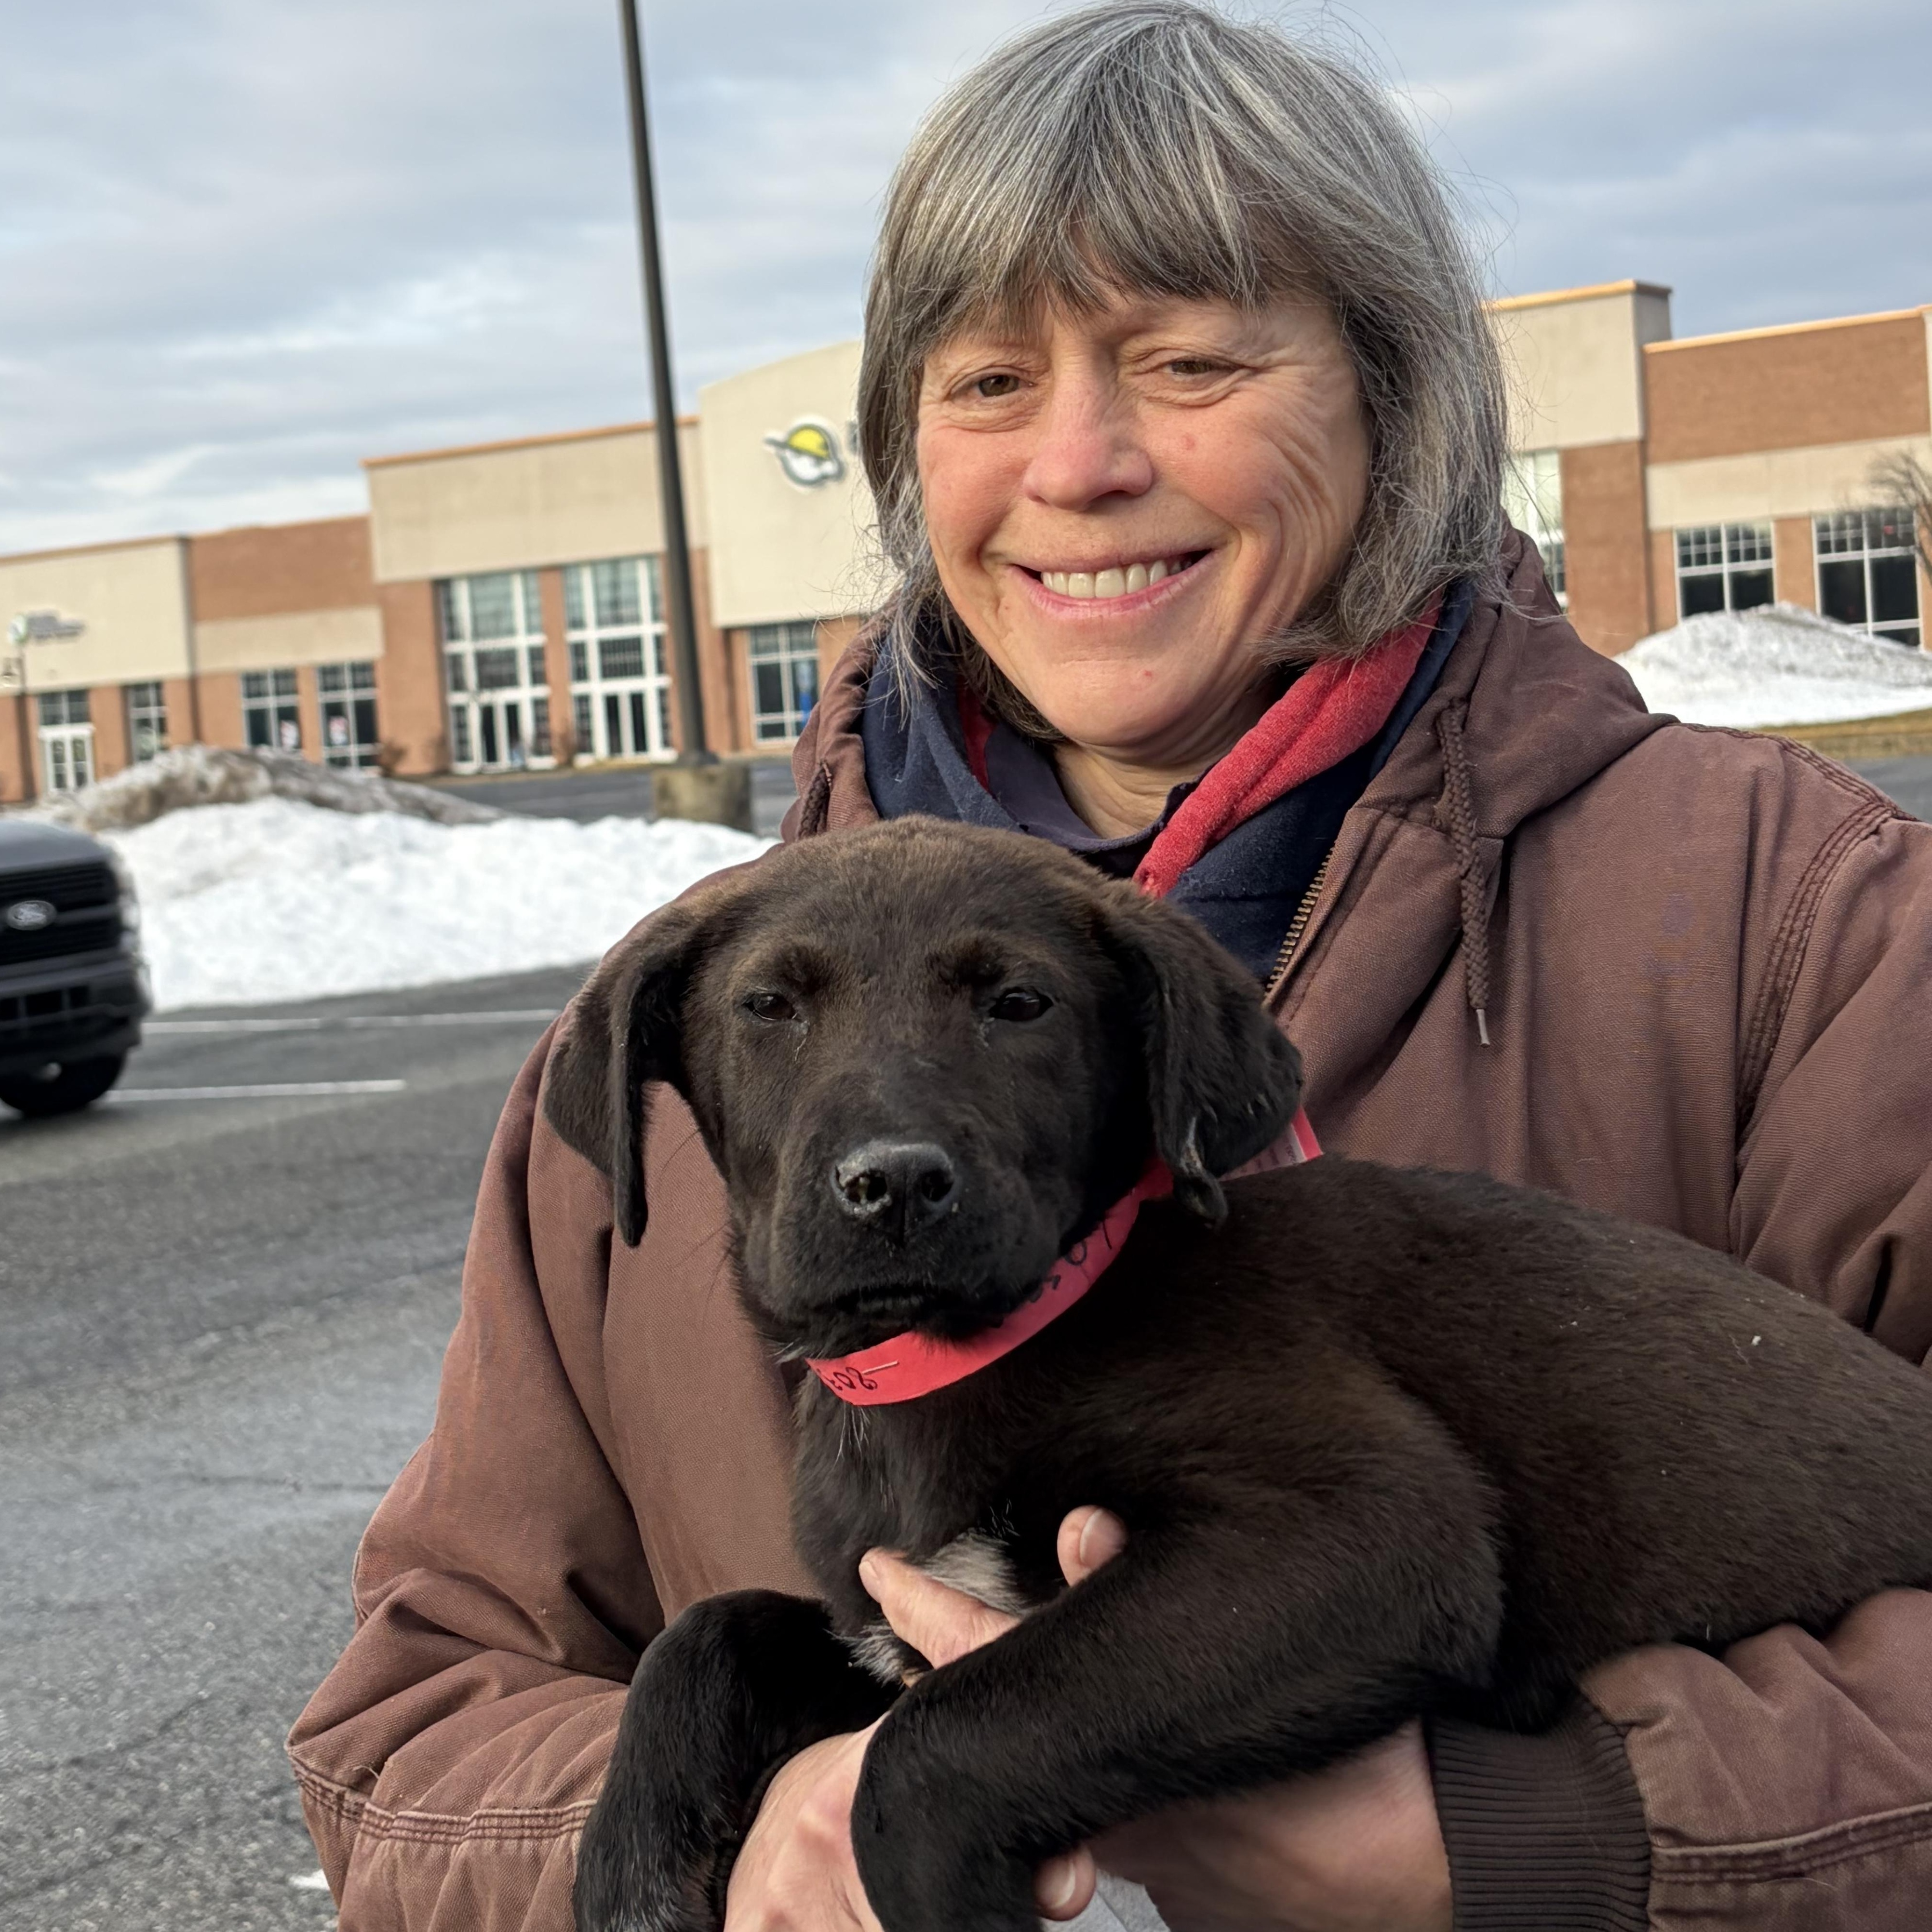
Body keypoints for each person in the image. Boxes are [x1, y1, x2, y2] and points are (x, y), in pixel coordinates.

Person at [290, 6, 1932, 1928]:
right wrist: (752, 1828)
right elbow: (413, 1729)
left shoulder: (1800, 924)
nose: (1080, 462)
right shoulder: (690, 1020)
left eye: (1192, 358)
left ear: (1397, 402)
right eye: (988, 378)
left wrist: (1540, 1838)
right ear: (910, 447)